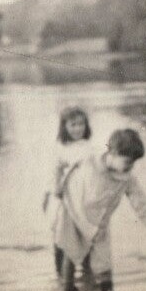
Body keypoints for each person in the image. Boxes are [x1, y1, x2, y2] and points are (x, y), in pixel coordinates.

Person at [54, 128, 146, 291]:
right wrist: (57, 187)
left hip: (99, 224)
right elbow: (62, 163)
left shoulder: (127, 178)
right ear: (113, 152)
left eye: (133, 163)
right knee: (71, 255)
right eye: (127, 161)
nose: (130, 166)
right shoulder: (89, 161)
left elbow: (142, 205)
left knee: (104, 264)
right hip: (74, 215)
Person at [42, 106, 94, 274]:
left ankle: (87, 272)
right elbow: (54, 171)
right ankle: (60, 274)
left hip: (83, 198)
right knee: (61, 235)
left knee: (87, 234)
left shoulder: (90, 147)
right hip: (63, 196)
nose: (78, 128)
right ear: (64, 127)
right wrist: (55, 190)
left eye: (81, 124)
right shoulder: (60, 148)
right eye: (73, 125)